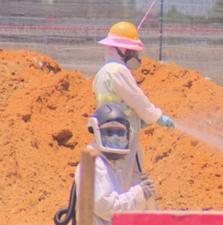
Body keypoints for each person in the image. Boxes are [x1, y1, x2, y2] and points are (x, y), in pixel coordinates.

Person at [93, 21, 174, 177]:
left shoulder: (102, 72)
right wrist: (156, 117)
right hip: (125, 138)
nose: (134, 55)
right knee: (133, 179)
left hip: (108, 136)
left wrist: (137, 118)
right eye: (132, 51)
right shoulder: (119, 71)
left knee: (114, 177)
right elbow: (137, 99)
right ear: (122, 49)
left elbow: (117, 102)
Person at [75, 103, 157, 225]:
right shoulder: (94, 164)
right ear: (97, 132)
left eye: (120, 133)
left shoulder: (111, 164)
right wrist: (140, 193)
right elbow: (106, 207)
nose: (115, 138)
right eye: (109, 132)